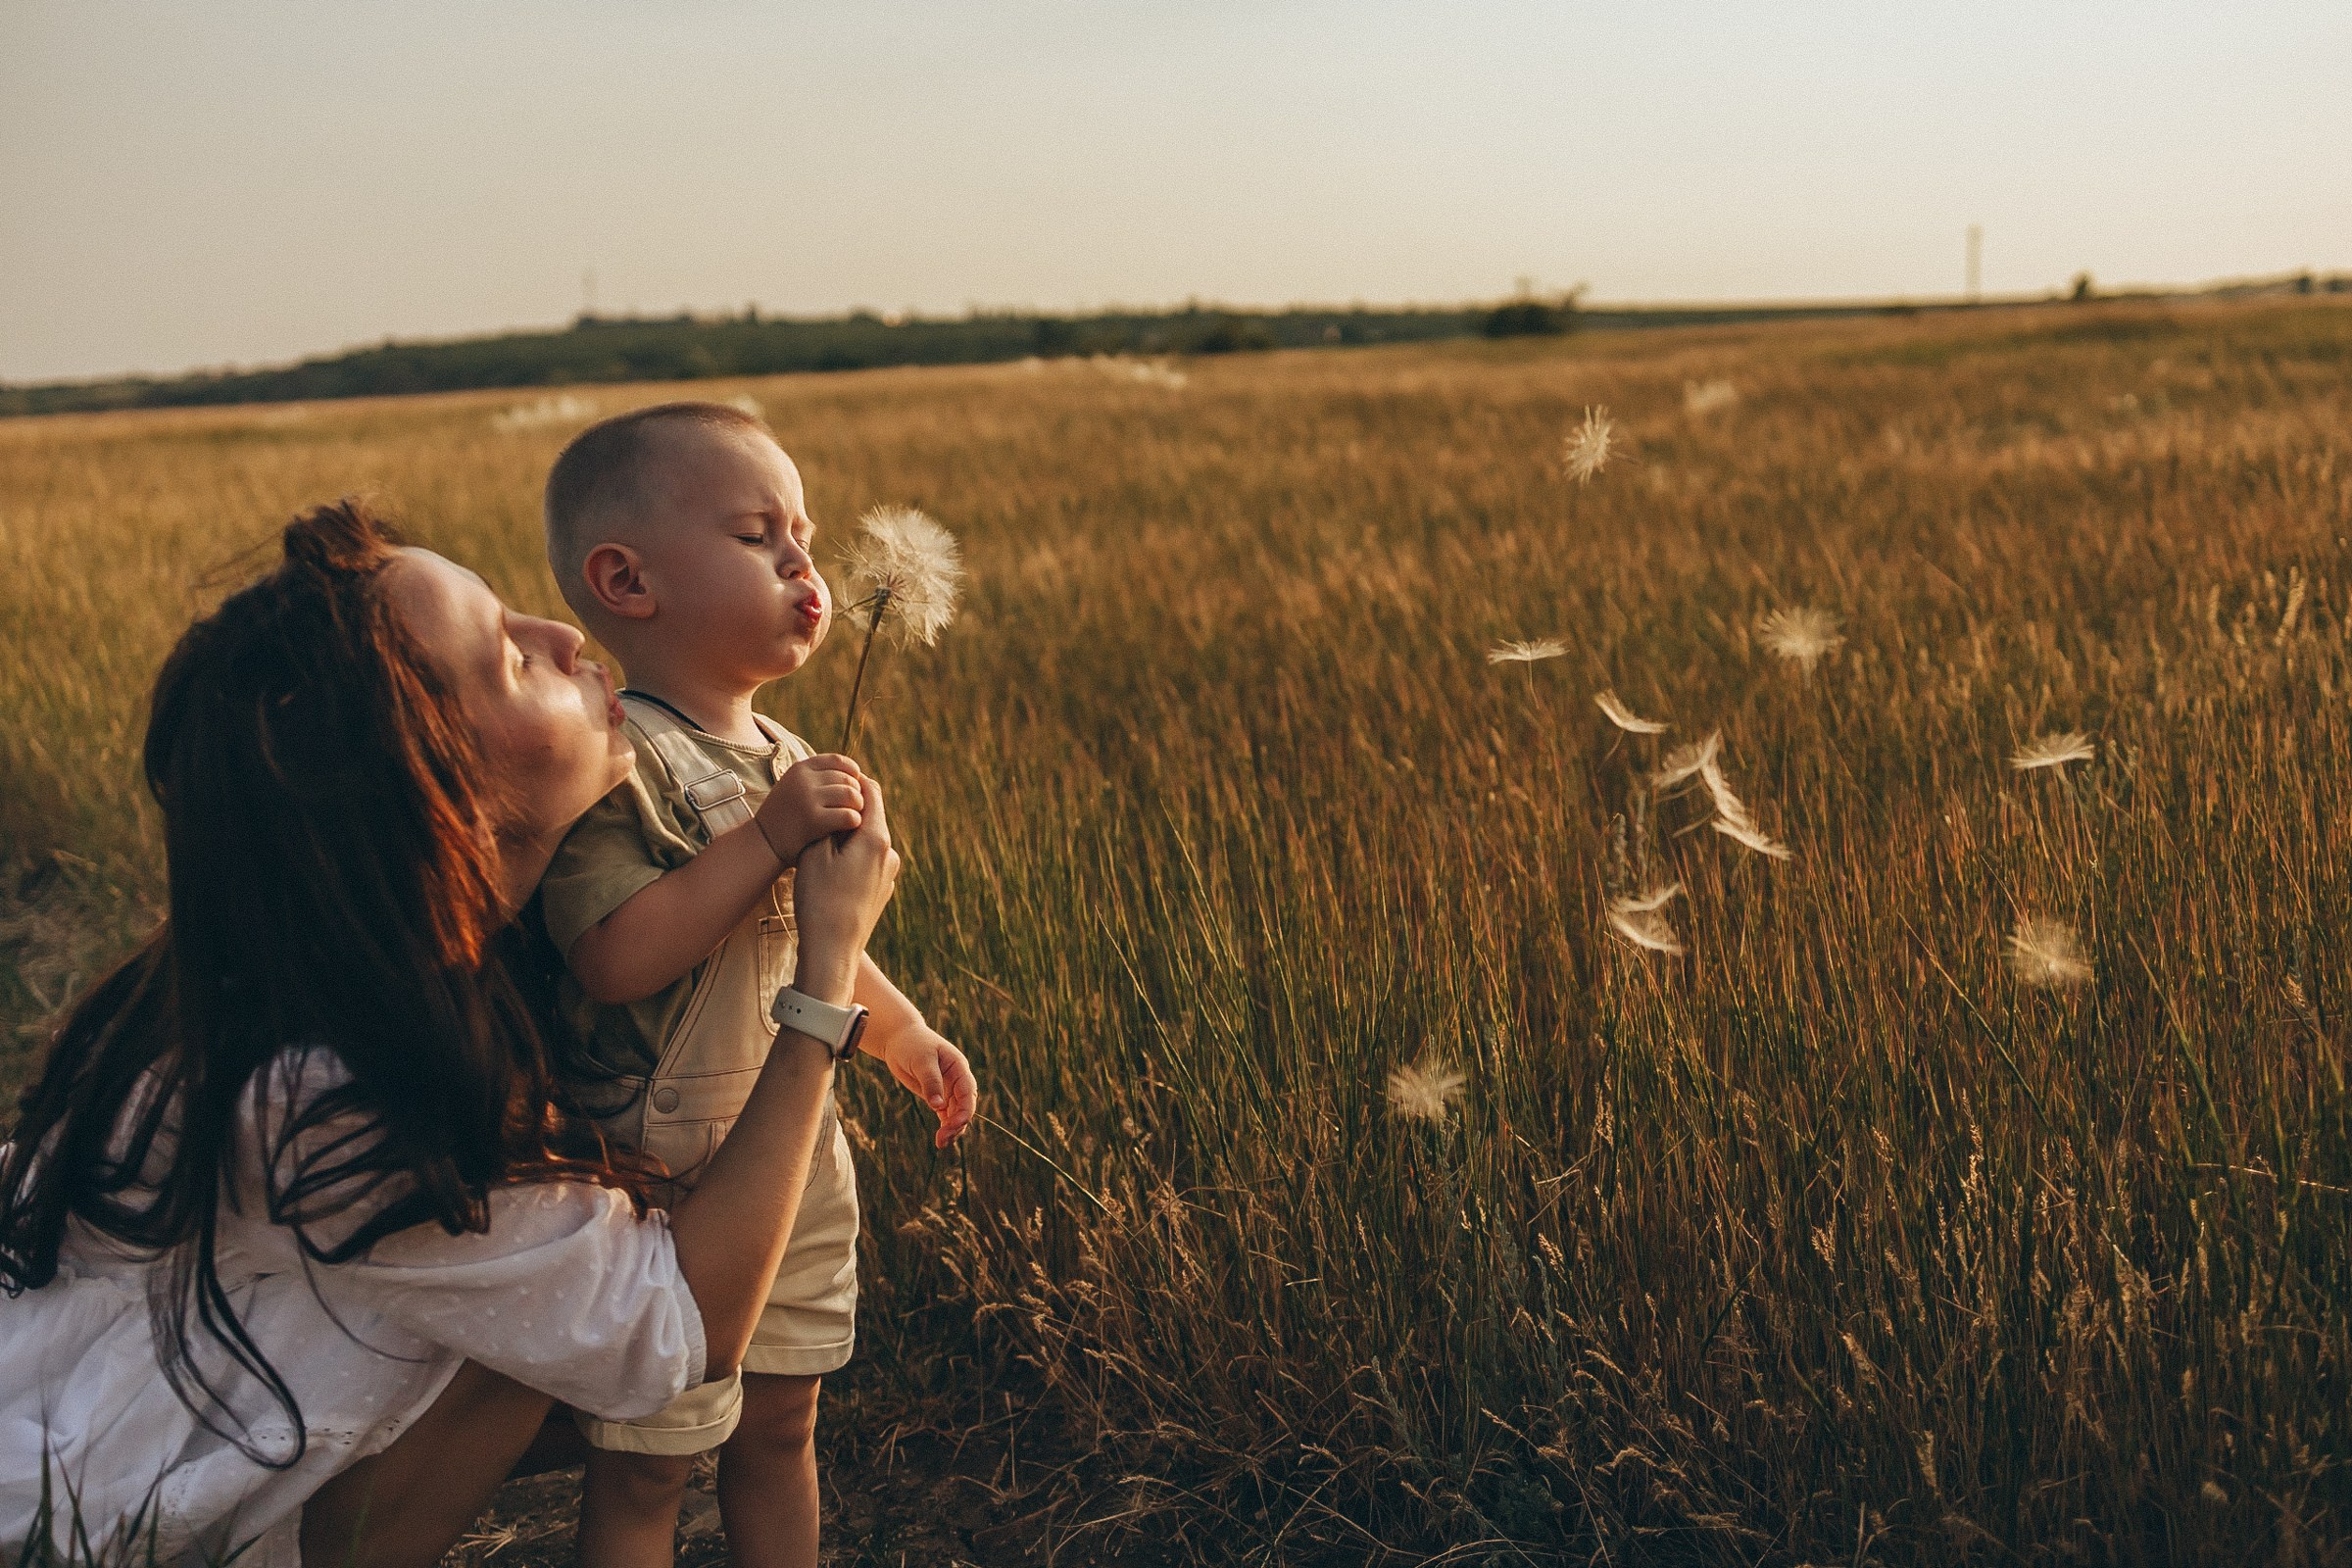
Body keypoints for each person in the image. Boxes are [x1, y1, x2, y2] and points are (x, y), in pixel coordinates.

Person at [0, 501, 903, 1568]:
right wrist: (823, 980)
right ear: (430, 792)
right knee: (542, 1343)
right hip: (74, 1522)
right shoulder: (352, 1093)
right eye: (510, 662)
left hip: (109, 1427)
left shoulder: (319, 969)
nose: (563, 637)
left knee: (550, 1317)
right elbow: (683, 1338)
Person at [536, 402, 975, 1568]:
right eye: (755, 535)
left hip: (796, 1164)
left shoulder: (784, 754)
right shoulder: (615, 756)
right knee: (648, 1462)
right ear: (627, 581)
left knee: (785, 1426)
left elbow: (806, 941)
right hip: (666, 1176)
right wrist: (771, 835)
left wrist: (903, 1034)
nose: (802, 563)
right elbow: (615, 953)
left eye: (807, 536)